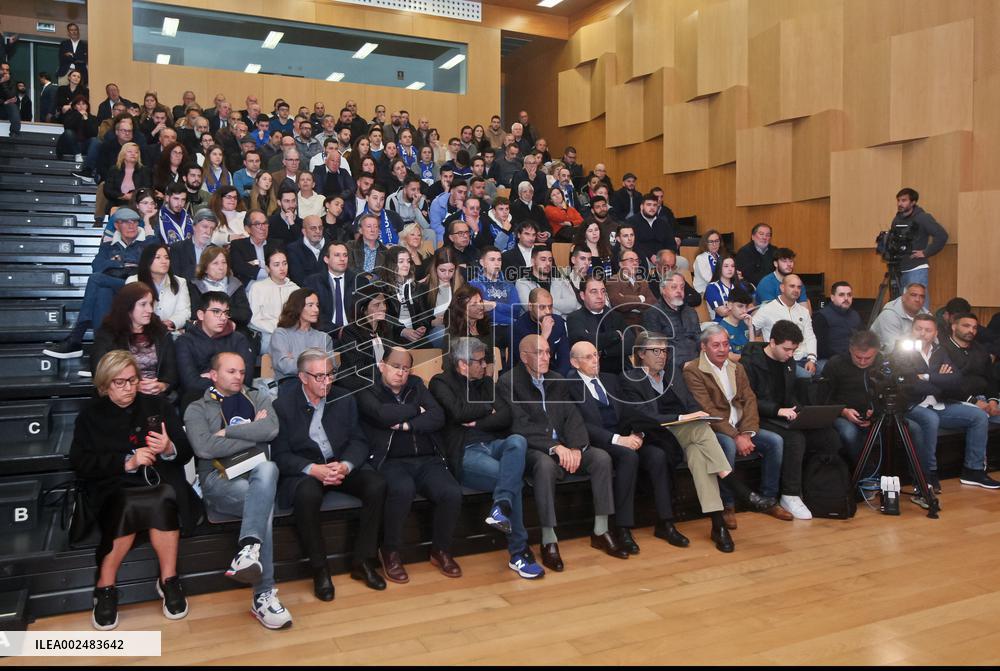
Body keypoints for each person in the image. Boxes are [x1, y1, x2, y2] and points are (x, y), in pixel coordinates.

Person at [70, 350, 199, 630]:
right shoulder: (90, 416)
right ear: (104, 385)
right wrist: (126, 462)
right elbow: (80, 463)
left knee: (162, 496)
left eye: (132, 380)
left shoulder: (157, 405)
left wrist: (168, 448)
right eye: (120, 382)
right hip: (113, 487)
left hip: (157, 482)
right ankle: (105, 585)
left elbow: (186, 451)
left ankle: (169, 579)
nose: (129, 388)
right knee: (130, 501)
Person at [619, 332, 772, 551]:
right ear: (641, 354)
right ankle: (739, 491)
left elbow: (690, 403)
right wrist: (682, 418)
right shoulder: (630, 378)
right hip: (655, 434)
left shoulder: (672, 374)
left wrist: (696, 415)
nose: (662, 356)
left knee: (700, 455)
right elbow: (643, 416)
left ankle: (718, 524)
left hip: (684, 433)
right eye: (655, 351)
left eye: (664, 351)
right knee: (700, 430)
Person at [183, 352, 292, 629]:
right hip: (218, 481)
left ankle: (249, 551)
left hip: (257, 475)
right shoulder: (196, 408)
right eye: (231, 371)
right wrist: (250, 431)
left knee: (268, 470)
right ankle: (263, 595)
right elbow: (205, 448)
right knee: (262, 500)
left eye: (242, 372)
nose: (238, 377)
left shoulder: (257, 397)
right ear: (213, 374)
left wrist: (227, 433)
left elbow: (271, 430)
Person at [497, 335, 624, 571]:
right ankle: (548, 539)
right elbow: (518, 425)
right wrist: (555, 447)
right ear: (524, 357)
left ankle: (601, 529)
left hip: (567, 446)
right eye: (539, 353)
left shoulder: (556, 379)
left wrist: (576, 447)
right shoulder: (508, 382)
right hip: (535, 449)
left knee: (600, 458)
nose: (547, 357)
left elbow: (572, 416)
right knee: (544, 466)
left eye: (548, 352)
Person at [271, 348, 388, 596]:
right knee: (307, 496)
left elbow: (359, 441)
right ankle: (320, 569)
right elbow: (281, 456)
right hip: (308, 470)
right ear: (303, 377)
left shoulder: (344, 399)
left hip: (339, 465)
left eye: (331, 375)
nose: (327, 381)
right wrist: (313, 469)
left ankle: (363, 560)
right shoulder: (282, 406)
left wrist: (346, 465)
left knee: (376, 484)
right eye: (320, 376)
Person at [430, 338, 545, 579]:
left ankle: (500, 507)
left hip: (493, 443)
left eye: (485, 361)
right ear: (463, 364)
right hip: (466, 452)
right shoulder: (440, 383)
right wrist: (486, 410)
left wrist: (477, 418)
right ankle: (518, 552)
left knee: (518, 441)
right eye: (480, 361)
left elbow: (505, 416)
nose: (485, 366)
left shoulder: (485, 383)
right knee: (511, 482)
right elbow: (458, 412)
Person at [568, 341, 690, 551]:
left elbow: (630, 411)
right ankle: (622, 527)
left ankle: (665, 522)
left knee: (657, 455)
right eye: (588, 357)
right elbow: (579, 424)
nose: (595, 360)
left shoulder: (610, 380)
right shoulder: (570, 386)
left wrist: (638, 432)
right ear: (574, 362)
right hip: (599, 442)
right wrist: (618, 439)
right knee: (628, 456)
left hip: (625, 436)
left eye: (596, 355)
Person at [356, 347, 464, 583]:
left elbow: (438, 416)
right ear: (382, 365)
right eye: (396, 367)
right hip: (390, 460)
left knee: (451, 492)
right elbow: (381, 414)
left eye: (405, 368)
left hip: (427, 458)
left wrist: (406, 425)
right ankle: (391, 551)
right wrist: (416, 410)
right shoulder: (368, 389)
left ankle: (441, 550)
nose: (401, 373)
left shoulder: (416, 385)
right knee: (401, 490)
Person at [683, 326, 791, 525]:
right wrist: (735, 436)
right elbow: (707, 410)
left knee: (775, 441)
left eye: (725, 344)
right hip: (715, 429)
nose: (722, 349)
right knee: (728, 445)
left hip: (742, 428)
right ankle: (728, 504)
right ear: (703, 347)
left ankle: (768, 500)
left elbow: (750, 400)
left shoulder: (737, 367)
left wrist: (748, 433)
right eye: (716, 345)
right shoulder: (694, 370)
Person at [742, 320, 844, 518]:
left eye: (794, 350)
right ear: (772, 342)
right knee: (795, 439)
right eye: (787, 349)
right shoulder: (750, 363)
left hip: (784, 414)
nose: (791, 355)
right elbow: (748, 400)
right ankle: (790, 494)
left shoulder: (787, 362)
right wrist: (778, 410)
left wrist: (800, 410)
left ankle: (820, 489)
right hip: (759, 417)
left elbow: (789, 394)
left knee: (829, 435)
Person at [895, 315, 999, 490]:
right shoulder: (901, 351)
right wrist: (939, 381)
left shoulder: (939, 351)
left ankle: (973, 471)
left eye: (928, 330)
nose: (922, 333)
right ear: (911, 330)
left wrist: (928, 377)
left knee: (978, 416)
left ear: (935, 333)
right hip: (912, 406)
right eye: (918, 329)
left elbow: (956, 380)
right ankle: (929, 474)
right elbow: (909, 385)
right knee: (930, 419)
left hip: (939, 404)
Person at [44, 208, 152, 359]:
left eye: (134, 221)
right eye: (126, 222)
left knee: (95, 279)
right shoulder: (108, 246)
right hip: (113, 286)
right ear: (116, 226)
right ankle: (102, 353)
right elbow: (97, 265)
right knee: (102, 292)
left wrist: (114, 264)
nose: (131, 225)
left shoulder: (145, 244)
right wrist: (123, 264)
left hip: (135, 286)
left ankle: (76, 337)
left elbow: (149, 265)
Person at [89, 282, 178, 397]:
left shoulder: (160, 331)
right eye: (143, 304)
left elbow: (172, 371)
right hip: (121, 394)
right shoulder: (109, 333)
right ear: (128, 307)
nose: (150, 310)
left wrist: (162, 385)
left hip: (156, 395)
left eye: (151, 304)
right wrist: (134, 386)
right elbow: (99, 371)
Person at [175, 292, 255, 404]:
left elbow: (246, 379)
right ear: (201, 315)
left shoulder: (238, 339)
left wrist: (210, 377)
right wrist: (227, 380)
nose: (223, 318)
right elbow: (190, 383)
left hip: (234, 398)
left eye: (226, 313)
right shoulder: (185, 341)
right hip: (199, 400)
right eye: (216, 312)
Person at [885, 188, 949, 302]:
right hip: (899, 268)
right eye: (898, 200)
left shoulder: (922, 217)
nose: (900, 203)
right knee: (902, 306)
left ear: (913, 202)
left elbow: (942, 235)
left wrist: (926, 252)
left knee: (918, 304)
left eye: (904, 200)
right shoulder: (897, 219)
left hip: (916, 268)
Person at [752, 274, 820, 377]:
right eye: (792, 286)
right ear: (782, 288)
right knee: (806, 377)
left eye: (799, 287)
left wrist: (812, 359)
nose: (796, 290)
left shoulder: (804, 311)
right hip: (781, 361)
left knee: (829, 373)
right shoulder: (767, 309)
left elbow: (810, 337)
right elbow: (751, 329)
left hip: (805, 359)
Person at [567, 276, 631, 374]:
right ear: (582, 295)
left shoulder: (615, 315)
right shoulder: (574, 318)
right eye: (594, 292)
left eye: (603, 291)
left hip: (620, 370)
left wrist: (604, 352)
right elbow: (583, 342)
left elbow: (630, 344)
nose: (600, 296)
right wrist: (616, 335)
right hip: (589, 373)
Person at [269, 289, 333, 385]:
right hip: (290, 383)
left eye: (317, 305)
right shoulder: (281, 334)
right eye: (310, 305)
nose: (316, 310)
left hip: (320, 384)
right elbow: (284, 366)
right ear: (297, 307)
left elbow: (330, 367)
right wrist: (317, 365)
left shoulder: (323, 337)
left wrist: (295, 360)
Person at [943, 313, 1000, 419]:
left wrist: (993, 401)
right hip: (957, 400)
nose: (971, 330)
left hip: (983, 398)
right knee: (979, 417)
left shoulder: (981, 350)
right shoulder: (942, 350)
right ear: (954, 327)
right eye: (966, 326)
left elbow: (990, 378)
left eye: (974, 327)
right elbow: (947, 385)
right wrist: (973, 401)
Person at [642, 271, 701, 372]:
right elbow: (657, 350)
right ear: (663, 290)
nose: (679, 291)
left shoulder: (690, 311)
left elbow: (699, 340)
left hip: (697, 364)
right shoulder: (653, 314)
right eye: (674, 287)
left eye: (682, 288)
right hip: (673, 369)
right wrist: (682, 365)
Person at [335, 285, 391, 391]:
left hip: (382, 379)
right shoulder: (350, 332)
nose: (383, 307)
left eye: (384, 303)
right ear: (363, 309)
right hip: (359, 383)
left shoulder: (385, 328)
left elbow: (391, 356)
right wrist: (386, 370)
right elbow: (358, 367)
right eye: (377, 304)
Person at [126, 243, 190, 334]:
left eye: (166, 257)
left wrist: (170, 322)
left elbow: (185, 312)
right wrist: (156, 325)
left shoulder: (180, 282)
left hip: (168, 332)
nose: (164, 261)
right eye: (158, 257)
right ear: (147, 260)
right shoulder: (133, 281)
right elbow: (129, 311)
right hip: (139, 331)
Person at [188, 247, 251, 333]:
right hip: (204, 332)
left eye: (224, 262)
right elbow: (194, 314)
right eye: (215, 263)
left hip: (233, 331)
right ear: (205, 268)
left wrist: (224, 316)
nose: (221, 267)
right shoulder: (194, 286)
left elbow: (245, 315)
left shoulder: (235, 284)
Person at [249, 248, 300, 355]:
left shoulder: (295, 289)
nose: (282, 268)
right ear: (268, 268)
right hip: (267, 335)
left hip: (293, 333)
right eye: (276, 265)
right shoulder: (258, 288)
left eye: (284, 263)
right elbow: (253, 320)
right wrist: (278, 327)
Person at [377, 247, 430, 347]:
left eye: (408, 261)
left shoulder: (416, 287)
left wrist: (421, 327)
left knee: (428, 347)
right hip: (392, 336)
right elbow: (382, 319)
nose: (406, 265)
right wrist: (402, 331)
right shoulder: (381, 288)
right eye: (401, 261)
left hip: (414, 334)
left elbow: (424, 314)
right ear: (391, 264)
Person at [515, 246, 578, 317]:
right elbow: (530, 308)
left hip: (560, 324)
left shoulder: (558, 281)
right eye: (543, 259)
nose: (548, 263)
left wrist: (544, 303)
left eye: (550, 260)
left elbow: (572, 304)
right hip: (535, 326)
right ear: (533, 262)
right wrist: (561, 309)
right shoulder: (522, 283)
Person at [469, 246, 519, 330]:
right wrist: (512, 320)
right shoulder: (474, 284)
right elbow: (483, 313)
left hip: (511, 328)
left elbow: (516, 309)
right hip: (487, 328)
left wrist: (494, 305)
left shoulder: (509, 285)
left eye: (499, 260)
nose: (497, 263)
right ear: (482, 263)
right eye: (492, 259)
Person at [872, 282, 930, 353]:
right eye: (913, 295)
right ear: (903, 297)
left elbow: (935, 344)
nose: (918, 299)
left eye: (922, 296)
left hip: (914, 356)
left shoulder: (927, 315)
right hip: (885, 360)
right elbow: (892, 349)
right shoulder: (889, 315)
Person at [607, 249, 658, 327]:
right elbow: (619, 304)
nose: (635, 263)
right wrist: (640, 299)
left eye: (637, 261)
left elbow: (653, 302)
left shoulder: (642, 281)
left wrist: (627, 299)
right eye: (631, 260)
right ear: (621, 264)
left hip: (646, 321)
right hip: (626, 324)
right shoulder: (613, 280)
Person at [813, 281, 863, 361]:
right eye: (841, 295)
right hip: (829, 360)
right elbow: (820, 349)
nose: (846, 298)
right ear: (832, 297)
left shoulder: (855, 315)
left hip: (854, 359)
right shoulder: (822, 316)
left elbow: (862, 339)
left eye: (849, 295)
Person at [166, 209, 216, 283]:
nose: (208, 232)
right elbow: (175, 278)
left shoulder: (216, 250)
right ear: (194, 226)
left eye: (212, 228)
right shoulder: (178, 248)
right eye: (205, 227)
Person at [103, 143, 152, 216]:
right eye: (130, 152)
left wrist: (133, 196)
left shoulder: (144, 170)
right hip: (117, 202)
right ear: (123, 154)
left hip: (137, 204)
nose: (133, 154)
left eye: (136, 152)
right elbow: (108, 190)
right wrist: (122, 196)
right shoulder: (114, 170)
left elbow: (147, 188)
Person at [717, 288, 758, 361]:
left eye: (746, 307)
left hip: (749, 363)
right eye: (740, 306)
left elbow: (753, 348)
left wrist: (750, 328)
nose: (744, 311)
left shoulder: (746, 323)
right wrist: (749, 357)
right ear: (729, 305)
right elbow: (730, 356)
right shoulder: (721, 328)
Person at [286, 215, 327, 285]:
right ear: (304, 231)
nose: (318, 231)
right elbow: (298, 279)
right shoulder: (293, 249)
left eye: (320, 228)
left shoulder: (331, 247)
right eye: (313, 228)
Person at [58, 95, 99, 161]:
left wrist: (86, 119)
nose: (81, 106)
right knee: (68, 132)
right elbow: (67, 127)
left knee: (95, 140)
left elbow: (94, 134)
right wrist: (79, 115)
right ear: (74, 106)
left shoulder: (93, 118)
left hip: (84, 145)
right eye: (78, 104)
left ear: (87, 106)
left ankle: (88, 167)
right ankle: (77, 154)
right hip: (70, 146)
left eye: (83, 104)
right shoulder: (70, 115)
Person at [734, 223, 775, 288]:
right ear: (753, 236)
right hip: (754, 289)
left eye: (768, 235)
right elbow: (748, 277)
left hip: (774, 287)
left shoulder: (775, 251)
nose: (764, 237)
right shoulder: (744, 252)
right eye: (761, 234)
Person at [693, 230, 727, 294]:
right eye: (711, 242)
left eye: (717, 241)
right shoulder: (701, 258)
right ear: (705, 243)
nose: (714, 244)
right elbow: (709, 279)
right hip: (704, 291)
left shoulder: (721, 256)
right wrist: (728, 278)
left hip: (720, 287)